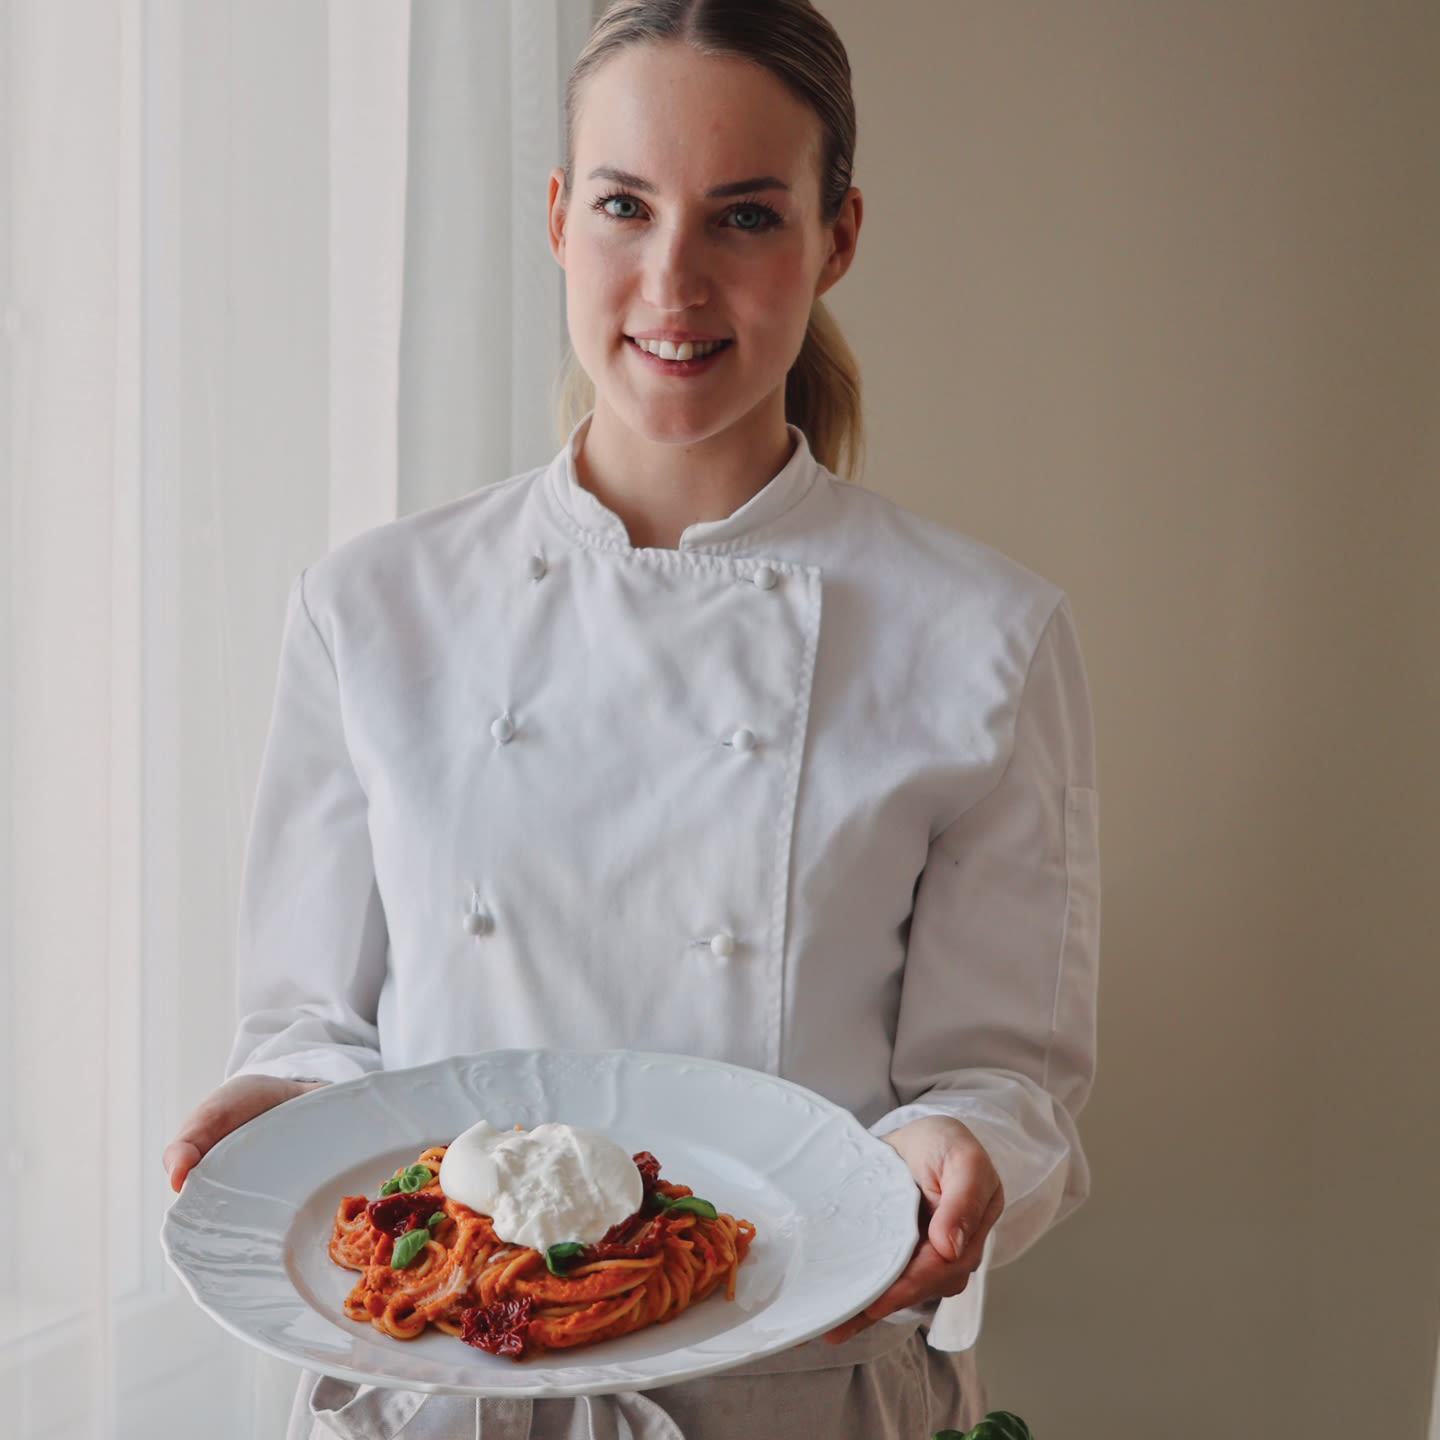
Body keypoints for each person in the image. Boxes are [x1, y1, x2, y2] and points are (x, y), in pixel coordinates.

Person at [162, 2, 1100, 1437]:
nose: (674, 281)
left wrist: (963, 1146)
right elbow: (312, 1023)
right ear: (557, 217)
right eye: (624, 206)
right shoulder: (371, 608)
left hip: (799, 1389)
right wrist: (279, 1101)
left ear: (836, 238)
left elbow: (1001, 1080)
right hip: (436, 1378)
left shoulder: (982, 637)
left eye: (745, 217)